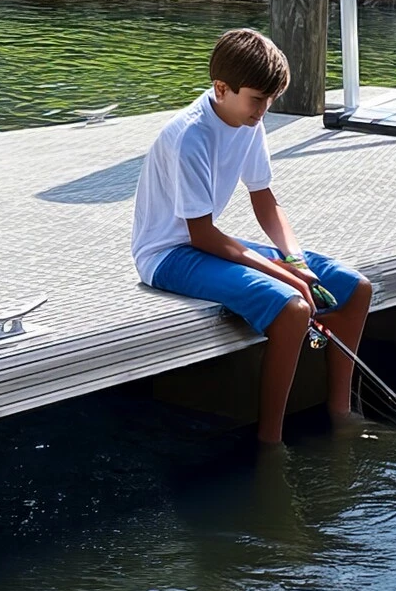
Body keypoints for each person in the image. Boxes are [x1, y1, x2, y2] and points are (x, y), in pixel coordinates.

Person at [132, 27, 373, 445]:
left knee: (355, 287)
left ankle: (341, 412)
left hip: (204, 245)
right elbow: (202, 234)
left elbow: (264, 200)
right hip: (168, 254)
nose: (263, 110)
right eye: (257, 99)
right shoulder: (191, 135)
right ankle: (271, 441)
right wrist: (283, 275)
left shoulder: (248, 119)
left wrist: (293, 259)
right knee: (294, 307)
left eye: (270, 100)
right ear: (221, 88)